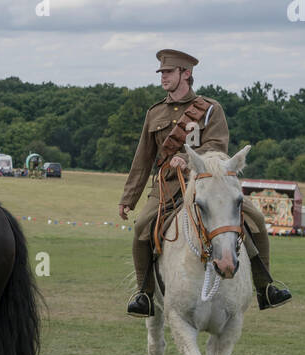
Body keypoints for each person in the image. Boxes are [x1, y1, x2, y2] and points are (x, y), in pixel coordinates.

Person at [118, 49, 292, 317]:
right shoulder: (154, 113)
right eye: (162, 72)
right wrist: (128, 198)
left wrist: (185, 159)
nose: (163, 77)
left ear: (185, 74)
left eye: (168, 72)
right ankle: (145, 294)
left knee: (255, 218)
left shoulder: (211, 109)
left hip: (209, 183)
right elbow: (142, 159)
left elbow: (218, 146)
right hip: (168, 186)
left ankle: (265, 287)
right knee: (142, 227)